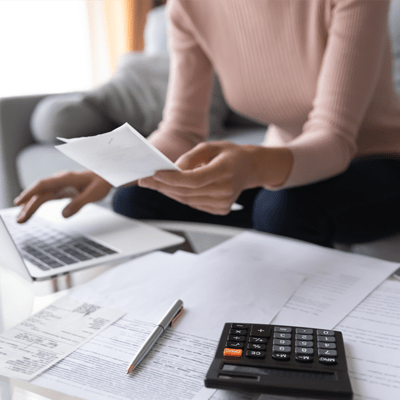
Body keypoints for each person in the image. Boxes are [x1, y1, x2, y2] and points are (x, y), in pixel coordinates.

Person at [14, 0, 400, 248]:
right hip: (282, 171)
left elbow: (333, 138)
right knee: (136, 198)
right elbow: (182, 131)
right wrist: (104, 173)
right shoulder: (189, 8)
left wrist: (251, 164)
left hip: (379, 163)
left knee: (282, 207)